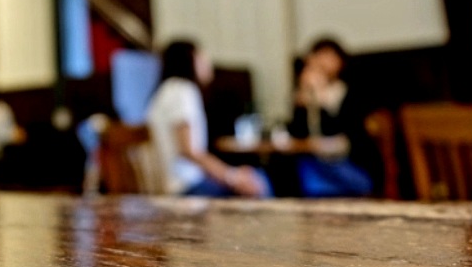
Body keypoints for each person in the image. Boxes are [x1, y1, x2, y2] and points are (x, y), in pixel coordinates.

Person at [146, 40, 270, 198]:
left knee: (253, 178)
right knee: (259, 182)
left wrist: (232, 174)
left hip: (178, 184)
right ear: (189, 61)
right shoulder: (181, 91)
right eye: (201, 57)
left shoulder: (167, 90)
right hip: (183, 188)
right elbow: (189, 151)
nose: (207, 62)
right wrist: (232, 176)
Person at [287, 38, 375, 197]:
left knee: (311, 177)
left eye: (329, 56)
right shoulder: (307, 95)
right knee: (302, 166)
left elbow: (340, 134)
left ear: (341, 61)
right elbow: (298, 136)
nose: (323, 62)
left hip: (352, 168)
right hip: (317, 166)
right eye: (318, 56)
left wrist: (321, 100)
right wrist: (304, 100)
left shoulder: (351, 92)